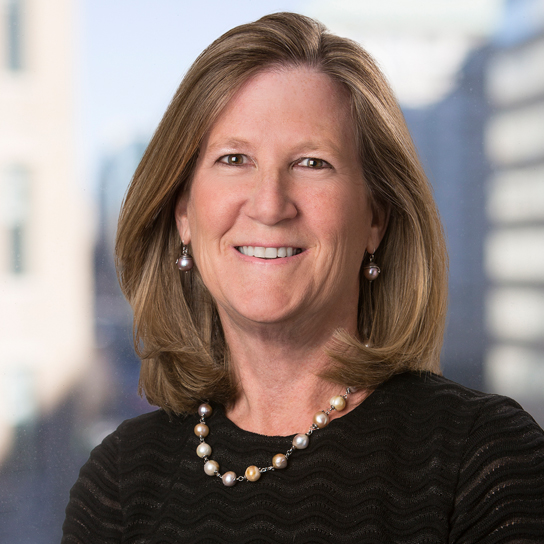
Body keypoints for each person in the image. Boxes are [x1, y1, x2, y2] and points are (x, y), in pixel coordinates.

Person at [62, 12, 544, 543]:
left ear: (375, 218)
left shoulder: (482, 459)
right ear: (183, 215)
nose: (269, 205)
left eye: (312, 163)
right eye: (234, 158)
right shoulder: (119, 480)